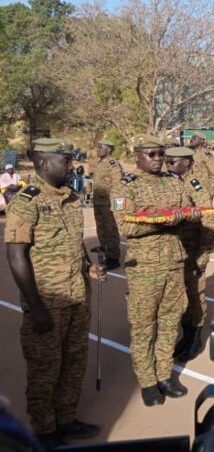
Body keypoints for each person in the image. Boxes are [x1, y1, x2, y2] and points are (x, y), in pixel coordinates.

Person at [5, 138, 103, 448]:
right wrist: (36, 307)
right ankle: (45, 432)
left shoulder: (72, 198)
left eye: (71, 159)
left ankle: (66, 419)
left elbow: (76, 243)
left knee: (74, 362)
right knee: (45, 369)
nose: (71, 165)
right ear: (44, 163)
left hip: (77, 296)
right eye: (65, 160)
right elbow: (16, 256)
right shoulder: (26, 201)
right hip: (48, 301)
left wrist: (88, 267)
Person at [111, 135, 201, 407]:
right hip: (144, 268)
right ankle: (148, 381)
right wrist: (163, 219)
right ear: (136, 155)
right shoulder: (125, 186)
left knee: (170, 322)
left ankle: (165, 375)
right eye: (151, 154)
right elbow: (125, 227)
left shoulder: (174, 182)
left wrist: (189, 215)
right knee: (143, 326)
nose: (158, 159)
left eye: (161, 154)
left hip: (174, 263)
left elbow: (188, 211)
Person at [164, 146, 214, 363]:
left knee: (195, 295)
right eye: (167, 161)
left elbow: (208, 221)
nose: (168, 165)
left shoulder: (195, 185)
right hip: (174, 252)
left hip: (193, 250)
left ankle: (195, 337)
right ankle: (185, 335)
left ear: (186, 162)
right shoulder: (168, 182)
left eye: (172, 162)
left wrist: (203, 256)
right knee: (179, 295)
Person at [90, 140, 123, 270]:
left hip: (108, 203)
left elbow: (118, 184)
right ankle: (105, 253)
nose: (97, 149)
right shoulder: (99, 163)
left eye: (100, 147)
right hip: (98, 202)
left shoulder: (112, 163)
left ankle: (114, 257)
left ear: (108, 150)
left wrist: (117, 206)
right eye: (97, 147)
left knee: (111, 231)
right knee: (101, 229)